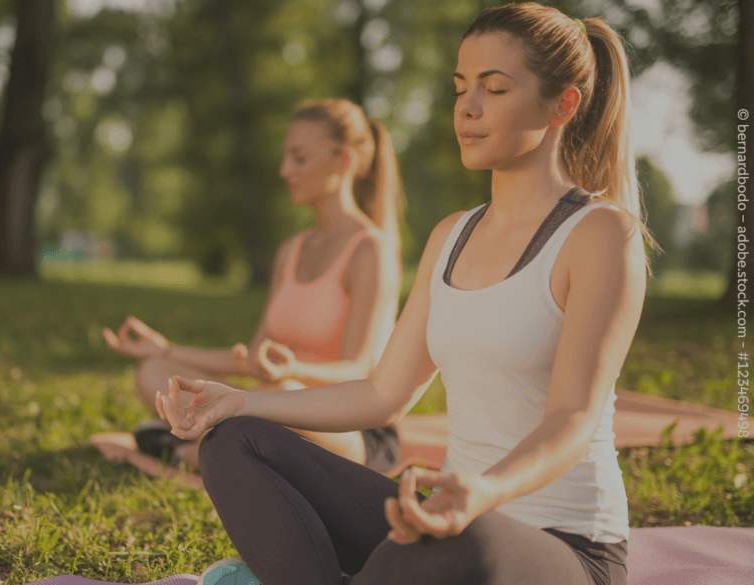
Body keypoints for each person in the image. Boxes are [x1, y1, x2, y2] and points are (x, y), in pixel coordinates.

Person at [154, 3, 660, 584]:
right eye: (460, 87)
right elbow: (382, 393)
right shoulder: (451, 235)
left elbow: (572, 417)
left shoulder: (600, 235)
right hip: (445, 520)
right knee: (233, 442)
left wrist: (480, 492)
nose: (467, 108)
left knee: (446, 545)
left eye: (494, 89)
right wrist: (243, 402)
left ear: (562, 105)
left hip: (563, 549)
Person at [103, 98, 408, 474]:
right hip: (276, 404)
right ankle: (210, 441)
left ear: (343, 161)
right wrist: (166, 349)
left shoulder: (371, 252)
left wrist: (293, 369)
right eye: (286, 157)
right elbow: (252, 359)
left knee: (284, 394)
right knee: (156, 372)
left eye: (299, 158)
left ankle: (183, 452)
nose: (284, 170)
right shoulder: (290, 252)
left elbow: (364, 371)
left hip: (353, 429)